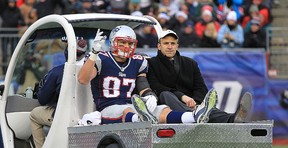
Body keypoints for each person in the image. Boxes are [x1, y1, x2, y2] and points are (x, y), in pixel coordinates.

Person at [78, 25, 218, 125]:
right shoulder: (101, 58)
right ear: (113, 42)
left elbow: (142, 83)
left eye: (130, 43)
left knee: (161, 109)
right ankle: (142, 119)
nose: (127, 46)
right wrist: (94, 54)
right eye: (122, 42)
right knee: (127, 111)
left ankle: (195, 116)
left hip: (132, 105)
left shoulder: (137, 61)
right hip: (108, 108)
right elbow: (83, 79)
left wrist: (149, 95)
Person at [147, 29, 252, 123]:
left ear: (177, 46)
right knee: (165, 94)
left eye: (172, 43)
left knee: (206, 108)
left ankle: (232, 118)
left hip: (192, 104)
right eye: (166, 43)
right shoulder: (151, 63)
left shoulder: (190, 63)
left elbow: (200, 88)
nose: (170, 47)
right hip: (168, 105)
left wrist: (195, 103)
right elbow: (156, 87)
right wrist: (182, 97)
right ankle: (198, 114)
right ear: (159, 46)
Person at [30, 39, 88, 148]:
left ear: (67, 52)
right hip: (87, 116)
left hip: (63, 117)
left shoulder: (57, 71)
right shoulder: (91, 71)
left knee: (34, 115)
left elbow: (42, 99)